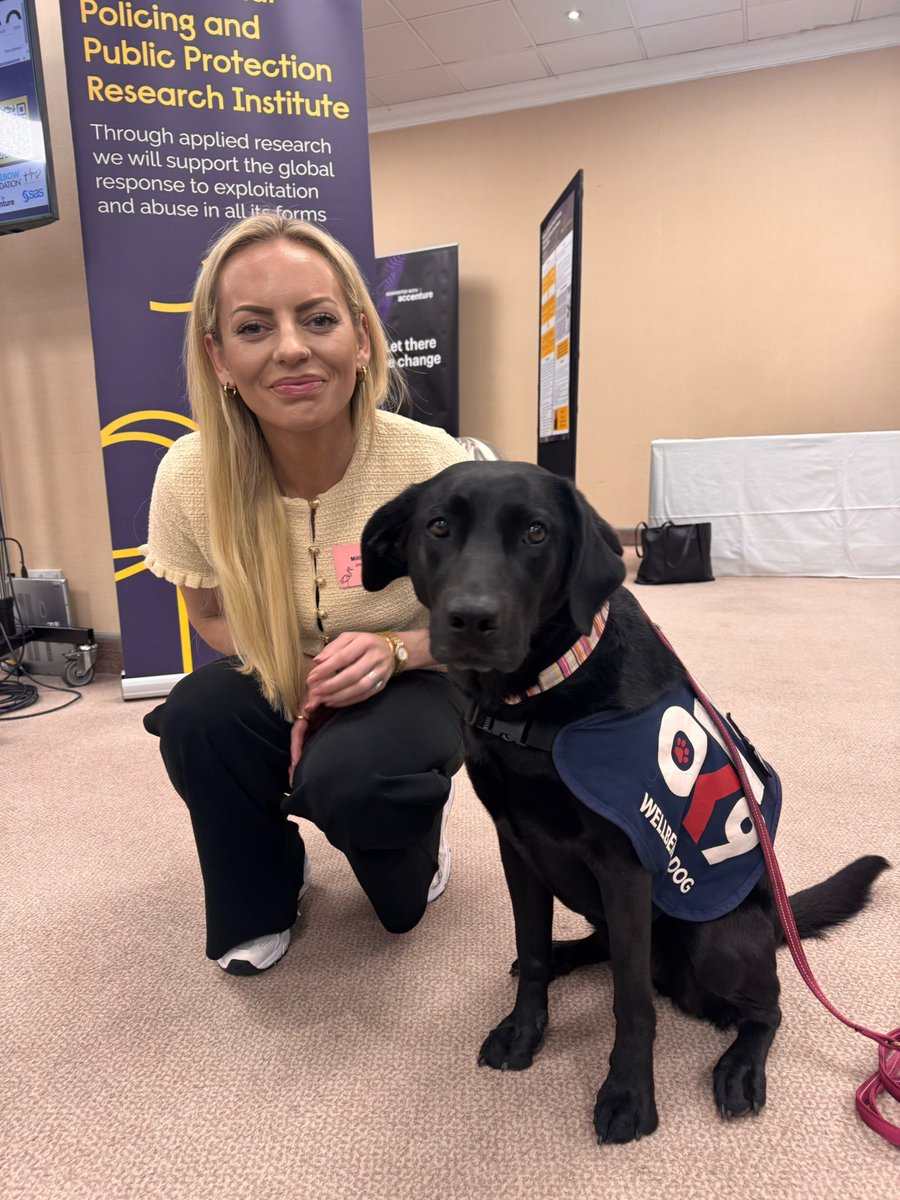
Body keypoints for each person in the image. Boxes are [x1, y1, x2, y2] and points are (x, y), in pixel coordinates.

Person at [142, 212, 469, 975]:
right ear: (218, 357)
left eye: (317, 319)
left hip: (418, 676)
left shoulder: (430, 463)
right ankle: (262, 886)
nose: (291, 348)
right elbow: (213, 617)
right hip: (280, 670)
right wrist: (301, 683)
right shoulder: (189, 475)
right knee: (199, 716)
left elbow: (479, 631)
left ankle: (412, 834)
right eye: (254, 327)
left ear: (359, 338)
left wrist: (393, 650)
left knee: (363, 804)